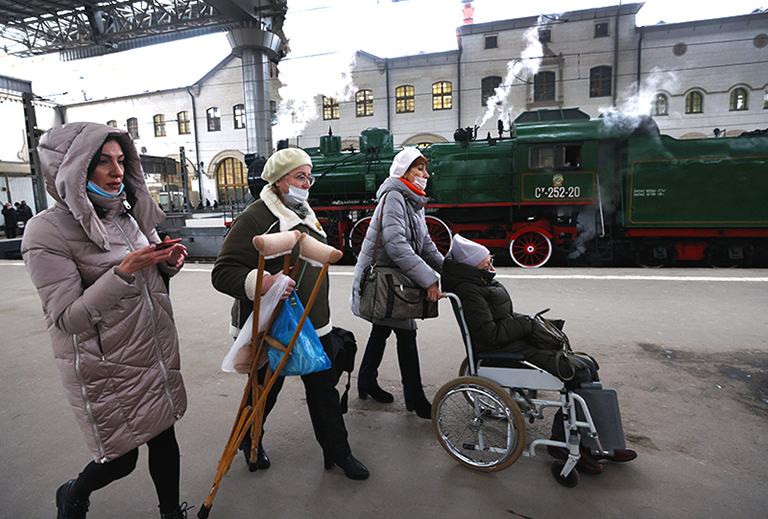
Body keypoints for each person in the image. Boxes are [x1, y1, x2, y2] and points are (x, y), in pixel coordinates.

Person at [21, 122, 190, 519]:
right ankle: (73, 494)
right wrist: (125, 271)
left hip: (151, 351)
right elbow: (67, 318)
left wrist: (165, 266)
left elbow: (146, 283)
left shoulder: (127, 217)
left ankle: (171, 514)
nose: (117, 172)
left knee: (165, 439)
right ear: (74, 168)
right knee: (121, 459)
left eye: (120, 161)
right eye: (102, 162)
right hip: (107, 366)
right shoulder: (45, 232)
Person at [211, 147, 369, 480]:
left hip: (313, 324)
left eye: (309, 176)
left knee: (323, 389)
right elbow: (223, 271)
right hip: (271, 323)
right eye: (300, 176)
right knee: (264, 392)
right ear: (280, 181)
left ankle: (338, 453)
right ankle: (250, 443)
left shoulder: (304, 211)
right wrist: (263, 282)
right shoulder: (255, 217)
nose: (307, 183)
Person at [440, 235, 637, 475]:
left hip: (513, 344)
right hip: (502, 352)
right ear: (472, 265)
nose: (492, 266)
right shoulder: (471, 290)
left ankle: (603, 442)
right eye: (486, 263)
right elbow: (489, 335)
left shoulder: (480, 282)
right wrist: (526, 324)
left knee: (587, 365)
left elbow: (502, 320)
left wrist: (534, 325)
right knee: (578, 372)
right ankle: (565, 444)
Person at [350, 147, 444, 419]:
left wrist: (450, 269)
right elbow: (396, 244)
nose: (426, 174)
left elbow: (425, 244)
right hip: (385, 283)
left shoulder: (413, 200)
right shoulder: (394, 196)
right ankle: (415, 396)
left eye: (425, 169)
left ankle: (366, 381)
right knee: (407, 333)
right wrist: (429, 280)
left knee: (381, 331)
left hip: (393, 281)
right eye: (420, 169)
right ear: (405, 172)